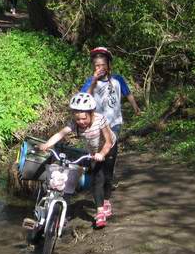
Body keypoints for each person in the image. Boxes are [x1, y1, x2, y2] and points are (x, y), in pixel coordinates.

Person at [35, 92, 116, 228]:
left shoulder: (100, 120)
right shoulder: (74, 124)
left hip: (109, 148)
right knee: (97, 178)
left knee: (107, 177)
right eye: (78, 119)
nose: (81, 122)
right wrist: (47, 145)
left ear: (91, 113)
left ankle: (106, 200)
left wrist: (102, 154)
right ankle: (100, 212)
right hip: (93, 152)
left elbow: (108, 142)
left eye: (84, 118)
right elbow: (60, 133)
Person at [80, 46, 142, 217]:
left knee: (108, 161)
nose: (99, 68)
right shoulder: (90, 81)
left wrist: (135, 107)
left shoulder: (117, 80)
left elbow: (127, 93)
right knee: (98, 162)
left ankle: (105, 197)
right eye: (96, 65)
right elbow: (84, 98)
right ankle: (101, 197)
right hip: (96, 125)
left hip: (114, 124)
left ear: (108, 65)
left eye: (102, 65)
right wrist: (93, 82)